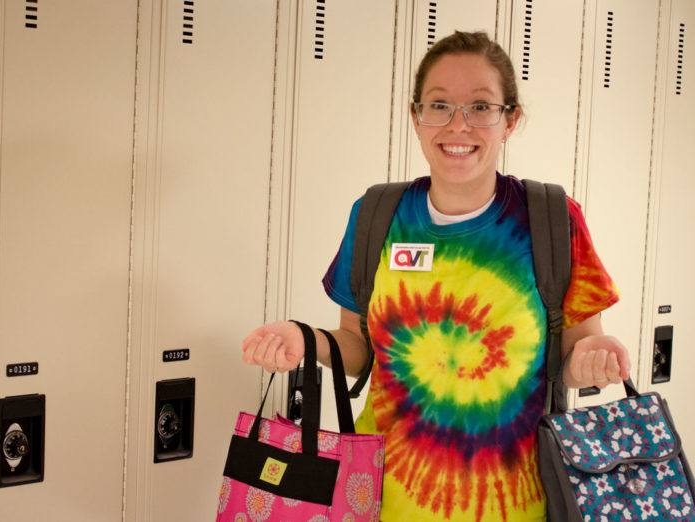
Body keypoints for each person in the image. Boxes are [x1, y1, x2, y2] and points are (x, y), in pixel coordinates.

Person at [242, 31, 630, 521]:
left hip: (514, 506)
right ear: (416, 117)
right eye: (439, 105)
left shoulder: (552, 219)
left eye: (481, 106)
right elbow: (359, 348)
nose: (458, 124)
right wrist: (302, 339)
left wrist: (592, 358)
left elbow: (574, 356)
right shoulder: (377, 214)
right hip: (382, 499)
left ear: (510, 119)